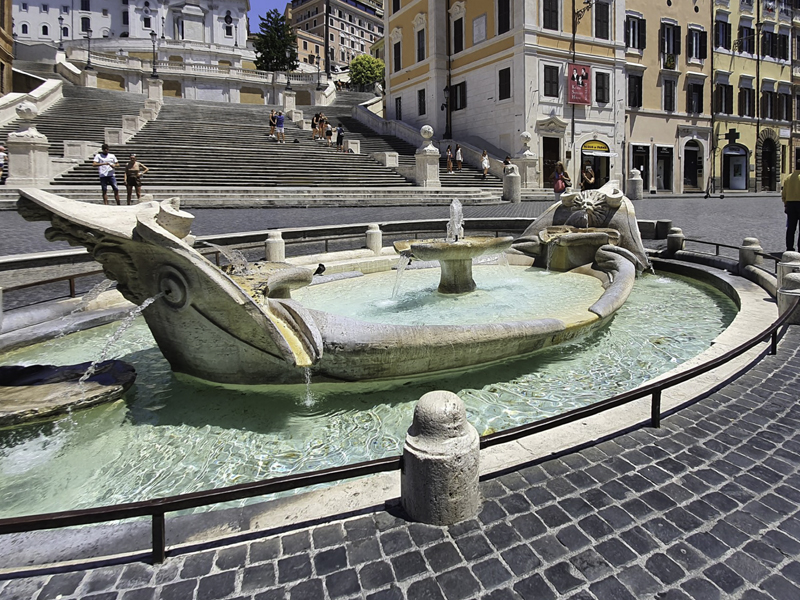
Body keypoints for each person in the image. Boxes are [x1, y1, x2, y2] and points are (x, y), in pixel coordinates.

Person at [782, 169, 800, 251]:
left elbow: (784, 193)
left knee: (791, 228)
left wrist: (785, 203)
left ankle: (789, 247)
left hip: (790, 204)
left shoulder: (788, 178)